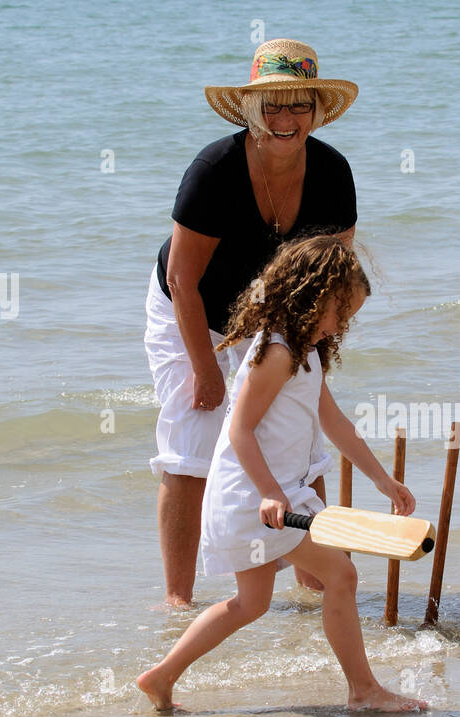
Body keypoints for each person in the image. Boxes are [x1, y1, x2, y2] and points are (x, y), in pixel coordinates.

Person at [137, 236, 428, 713]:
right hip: (255, 501)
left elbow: (336, 425)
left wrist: (383, 481)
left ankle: (163, 676)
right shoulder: (275, 354)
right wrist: (271, 492)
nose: (343, 324)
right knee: (342, 576)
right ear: (311, 297)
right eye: (340, 312)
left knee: (250, 604)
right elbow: (239, 430)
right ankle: (363, 691)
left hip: (270, 501)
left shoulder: (306, 353)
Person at [145, 38, 359, 606]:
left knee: (304, 443)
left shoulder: (333, 172)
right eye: (271, 106)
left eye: (297, 106)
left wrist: (316, 365)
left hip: (281, 316)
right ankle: (178, 602)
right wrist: (204, 368)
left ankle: (316, 590)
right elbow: (183, 280)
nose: (284, 119)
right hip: (193, 309)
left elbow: (334, 282)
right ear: (250, 110)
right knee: (191, 451)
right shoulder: (214, 170)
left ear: (316, 109)